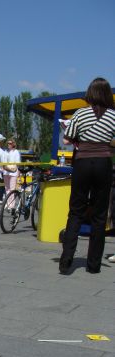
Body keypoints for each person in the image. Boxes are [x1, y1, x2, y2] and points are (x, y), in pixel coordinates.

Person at [59, 77, 115, 275]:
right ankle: (93, 265)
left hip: (82, 163)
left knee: (76, 211)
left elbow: (67, 139)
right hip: (103, 164)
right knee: (99, 215)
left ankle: (66, 262)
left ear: (90, 93)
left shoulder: (80, 113)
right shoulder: (113, 116)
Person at [3, 138, 21, 206]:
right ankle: (7, 203)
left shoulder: (16, 152)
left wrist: (18, 171)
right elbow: (3, 161)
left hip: (13, 172)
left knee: (12, 189)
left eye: (10, 143)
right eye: (8, 143)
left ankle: (11, 205)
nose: (8, 144)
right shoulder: (5, 151)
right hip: (5, 172)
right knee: (7, 189)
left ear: (13, 144)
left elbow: (18, 163)